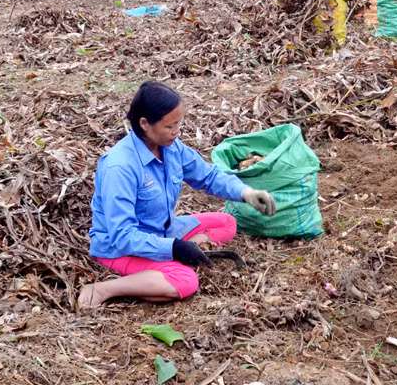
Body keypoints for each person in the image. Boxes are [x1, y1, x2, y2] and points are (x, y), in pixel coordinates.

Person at [78, 81, 276, 308]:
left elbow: (207, 176)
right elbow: (122, 236)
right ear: (144, 124)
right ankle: (105, 288)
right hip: (120, 249)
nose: (177, 131)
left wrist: (246, 193)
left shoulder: (171, 147)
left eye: (178, 123)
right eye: (169, 126)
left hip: (162, 230)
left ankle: (170, 260)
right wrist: (173, 248)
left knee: (227, 223)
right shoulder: (120, 167)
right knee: (185, 281)